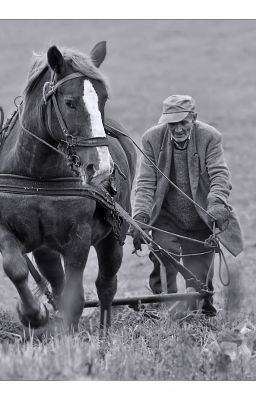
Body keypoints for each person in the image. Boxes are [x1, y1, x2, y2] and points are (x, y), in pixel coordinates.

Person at [132, 94, 243, 316]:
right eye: (173, 124)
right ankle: (164, 307)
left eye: (183, 122)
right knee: (164, 255)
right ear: (165, 122)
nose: (178, 129)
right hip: (166, 217)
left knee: (199, 273)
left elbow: (219, 175)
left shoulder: (210, 137)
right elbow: (145, 182)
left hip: (201, 216)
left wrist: (217, 203)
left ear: (194, 118)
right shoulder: (151, 139)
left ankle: (200, 307)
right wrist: (141, 215)